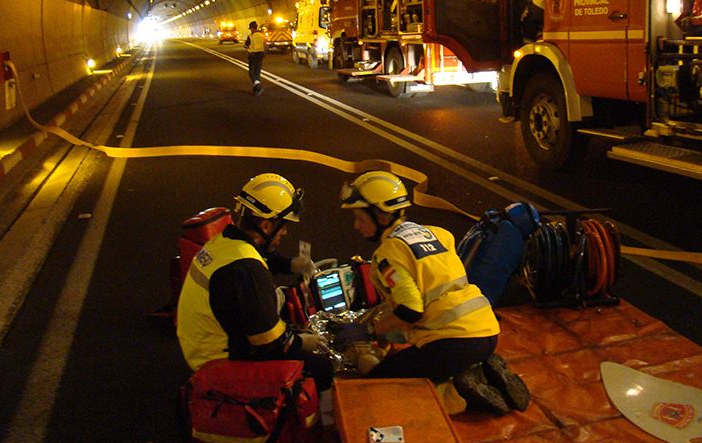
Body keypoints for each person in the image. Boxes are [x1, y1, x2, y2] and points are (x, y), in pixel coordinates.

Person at [339, 170, 530, 415]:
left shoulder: (388, 254)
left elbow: (410, 310)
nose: (357, 226)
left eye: (359, 218)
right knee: (423, 360)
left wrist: (369, 330)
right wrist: (385, 337)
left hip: (454, 344)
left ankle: (456, 395)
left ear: (382, 215)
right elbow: (431, 298)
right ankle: (479, 372)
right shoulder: (439, 233)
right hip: (487, 331)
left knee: (380, 382)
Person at [176, 173, 333, 392]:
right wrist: (302, 341)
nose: (285, 232)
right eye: (284, 225)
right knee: (324, 368)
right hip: (222, 360)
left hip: (199, 345)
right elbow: (274, 346)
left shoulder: (223, 242)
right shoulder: (247, 270)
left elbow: (260, 255)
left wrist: (291, 265)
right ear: (267, 226)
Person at [244, 20, 266, 95]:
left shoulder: (251, 36)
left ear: (252, 28)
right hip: (261, 54)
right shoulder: (262, 35)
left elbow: (246, 45)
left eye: (250, 29)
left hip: (253, 55)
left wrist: (247, 47)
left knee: (251, 72)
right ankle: (257, 88)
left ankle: (258, 85)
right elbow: (265, 44)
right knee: (257, 71)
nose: (250, 30)